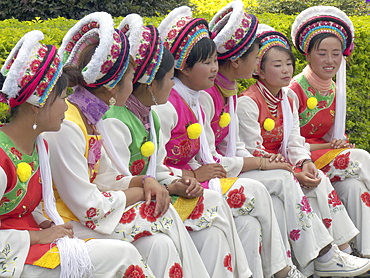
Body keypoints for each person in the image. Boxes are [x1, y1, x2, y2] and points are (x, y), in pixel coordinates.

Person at [43, 12, 209, 278]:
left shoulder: (89, 120)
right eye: (132, 79)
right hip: (67, 221)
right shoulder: (68, 127)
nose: (134, 87)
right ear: (111, 87)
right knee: (161, 215)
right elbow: (89, 206)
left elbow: (108, 176)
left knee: (160, 244)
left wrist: (145, 182)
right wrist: (144, 191)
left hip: (88, 214)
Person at [152, 4, 298, 277]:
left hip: (199, 180)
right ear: (183, 67)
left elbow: (209, 156)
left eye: (215, 61)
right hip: (179, 188)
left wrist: (259, 162)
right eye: (206, 62)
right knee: (258, 189)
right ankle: (284, 270)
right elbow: (153, 168)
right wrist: (192, 173)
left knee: (250, 225)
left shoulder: (196, 99)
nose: (213, 68)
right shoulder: (168, 106)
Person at [103, 13, 250, 278]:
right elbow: (120, 180)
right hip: (126, 204)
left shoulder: (149, 116)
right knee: (205, 209)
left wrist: (179, 183)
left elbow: (156, 170)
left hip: (152, 195)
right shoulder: (117, 121)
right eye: (170, 78)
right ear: (150, 85)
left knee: (213, 231)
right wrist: (172, 184)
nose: (173, 85)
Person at [0, 30, 155, 278]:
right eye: (62, 97)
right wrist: (38, 235)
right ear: (36, 106)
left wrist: (44, 224)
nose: (66, 104)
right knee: (124, 255)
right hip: (16, 254)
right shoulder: (2, 157)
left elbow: (31, 207)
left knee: (153, 244)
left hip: (36, 239)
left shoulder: (39, 145)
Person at [237, 23, 370, 276]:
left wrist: (305, 163)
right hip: (263, 169)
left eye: (288, 63)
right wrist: (292, 169)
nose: (286, 70)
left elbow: (294, 142)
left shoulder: (286, 97)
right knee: (305, 180)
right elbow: (252, 151)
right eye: (277, 65)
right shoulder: (248, 102)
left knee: (319, 180)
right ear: (259, 70)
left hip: (284, 166)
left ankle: (344, 252)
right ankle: (328, 257)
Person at [198, 1, 309, 277]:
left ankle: (298, 265)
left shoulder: (228, 91)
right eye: (256, 57)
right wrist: (259, 164)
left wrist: (261, 160)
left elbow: (234, 146)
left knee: (257, 218)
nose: (257, 62)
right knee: (280, 180)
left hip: (226, 171)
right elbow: (209, 158)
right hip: (207, 179)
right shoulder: (206, 95)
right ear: (237, 61)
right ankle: (296, 266)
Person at [289, 5, 370, 258]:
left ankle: (364, 252)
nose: (330, 60)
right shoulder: (294, 89)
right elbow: (289, 141)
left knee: (355, 186)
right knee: (362, 157)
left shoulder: (336, 89)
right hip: (304, 160)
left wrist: (336, 145)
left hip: (329, 158)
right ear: (308, 55)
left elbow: (333, 137)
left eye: (336, 54)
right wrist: (327, 148)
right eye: (322, 53)